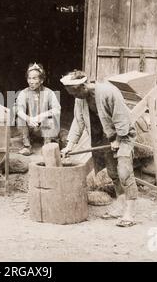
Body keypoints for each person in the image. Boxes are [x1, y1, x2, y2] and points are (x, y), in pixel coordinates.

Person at [60, 70, 138, 227]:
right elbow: (78, 121)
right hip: (104, 137)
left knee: (124, 172)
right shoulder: (80, 99)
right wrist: (70, 145)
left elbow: (122, 118)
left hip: (123, 135)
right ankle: (120, 206)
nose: (74, 97)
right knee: (113, 173)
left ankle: (130, 213)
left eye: (74, 93)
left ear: (83, 86)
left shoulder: (108, 92)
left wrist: (118, 139)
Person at [15, 63, 61, 156]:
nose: (31, 81)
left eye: (34, 78)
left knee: (51, 119)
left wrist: (42, 116)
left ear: (41, 80)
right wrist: (29, 119)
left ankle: (47, 146)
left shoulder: (49, 93)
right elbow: (19, 110)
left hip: (44, 128)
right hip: (30, 127)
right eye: (29, 78)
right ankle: (27, 146)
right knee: (20, 119)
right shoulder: (23, 93)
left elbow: (57, 109)